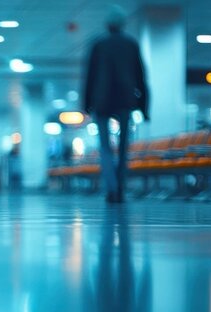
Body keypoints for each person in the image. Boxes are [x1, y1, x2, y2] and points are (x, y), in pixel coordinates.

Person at [83, 4, 149, 203]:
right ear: (123, 24)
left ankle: (111, 189)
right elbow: (141, 77)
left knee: (104, 148)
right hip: (125, 101)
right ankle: (120, 188)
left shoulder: (98, 44)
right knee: (123, 148)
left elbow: (90, 76)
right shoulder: (131, 44)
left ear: (107, 25)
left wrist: (86, 103)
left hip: (102, 101)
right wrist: (144, 107)